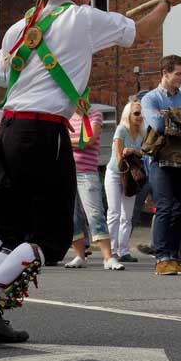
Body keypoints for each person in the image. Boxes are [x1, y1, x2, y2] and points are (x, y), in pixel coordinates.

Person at [0, 0, 181, 341]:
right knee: (51, 237)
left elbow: (2, 75)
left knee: (9, 230)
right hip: (44, 133)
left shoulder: (22, 27)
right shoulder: (83, 18)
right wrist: (167, 1)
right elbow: (142, 33)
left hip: (9, 130)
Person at [142, 55, 181, 276]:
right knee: (165, 208)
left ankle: (173, 258)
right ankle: (162, 258)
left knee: (179, 210)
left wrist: (169, 118)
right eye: (178, 74)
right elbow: (156, 124)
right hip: (160, 159)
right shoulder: (150, 98)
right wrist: (180, 120)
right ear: (165, 73)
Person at [64, 105, 120, 270]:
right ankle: (80, 256)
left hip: (86, 172)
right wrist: (75, 142)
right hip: (67, 171)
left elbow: (88, 140)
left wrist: (68, 140)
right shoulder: (65, 114)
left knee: (95, 214)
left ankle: (108, 258)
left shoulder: (94, 114)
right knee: (72, 217)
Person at [105, 100, 146, 264]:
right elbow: (119, 156)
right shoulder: (121, 129)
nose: (140, 116)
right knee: (114, 213)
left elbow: (145, 153)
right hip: (116, 173)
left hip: (131, 176)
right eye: (136, 113)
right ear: (128, 115)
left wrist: (133, 150)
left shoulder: (142, 132)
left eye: (141, 113)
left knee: (127, 216)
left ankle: (124, 251)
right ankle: (112, 251)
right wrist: (129, 152)